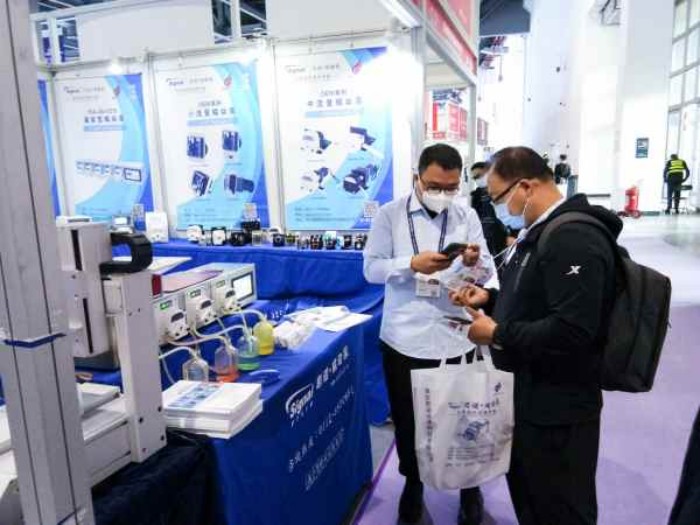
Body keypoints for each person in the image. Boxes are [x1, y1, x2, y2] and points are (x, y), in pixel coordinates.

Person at [449, 146, 621, 525]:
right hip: (530, 398)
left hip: (558, 407)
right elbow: (536, 298)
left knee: (559, 507)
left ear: (525, 186)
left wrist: (498, 333)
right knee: (533, 500)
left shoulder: (573, 237)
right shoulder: (540, 231)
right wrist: (491, 300)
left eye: (497, 199)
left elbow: (574, 329)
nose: (498, 208)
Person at [363, 143, 494, 525]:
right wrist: (410, 264)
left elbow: (487, 268)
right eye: (435, 186)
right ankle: (413, 485)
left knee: (465, 415)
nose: (443, 194)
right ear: (417, 179)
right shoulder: (389, 215)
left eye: (451, 187)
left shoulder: (466, 215)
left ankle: (469, 487)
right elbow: (370, 269)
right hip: (405, 336)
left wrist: (474, 263)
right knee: (409, 421)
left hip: (456, 333)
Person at [470, 162, 512, 261]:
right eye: (475, 178)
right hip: (485, 237)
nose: (477, 179)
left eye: (479, 176)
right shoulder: (476, 195)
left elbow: (513, 217)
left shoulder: (504, 191)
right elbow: (475, 218)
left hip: (503, 237)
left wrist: (510, 236)